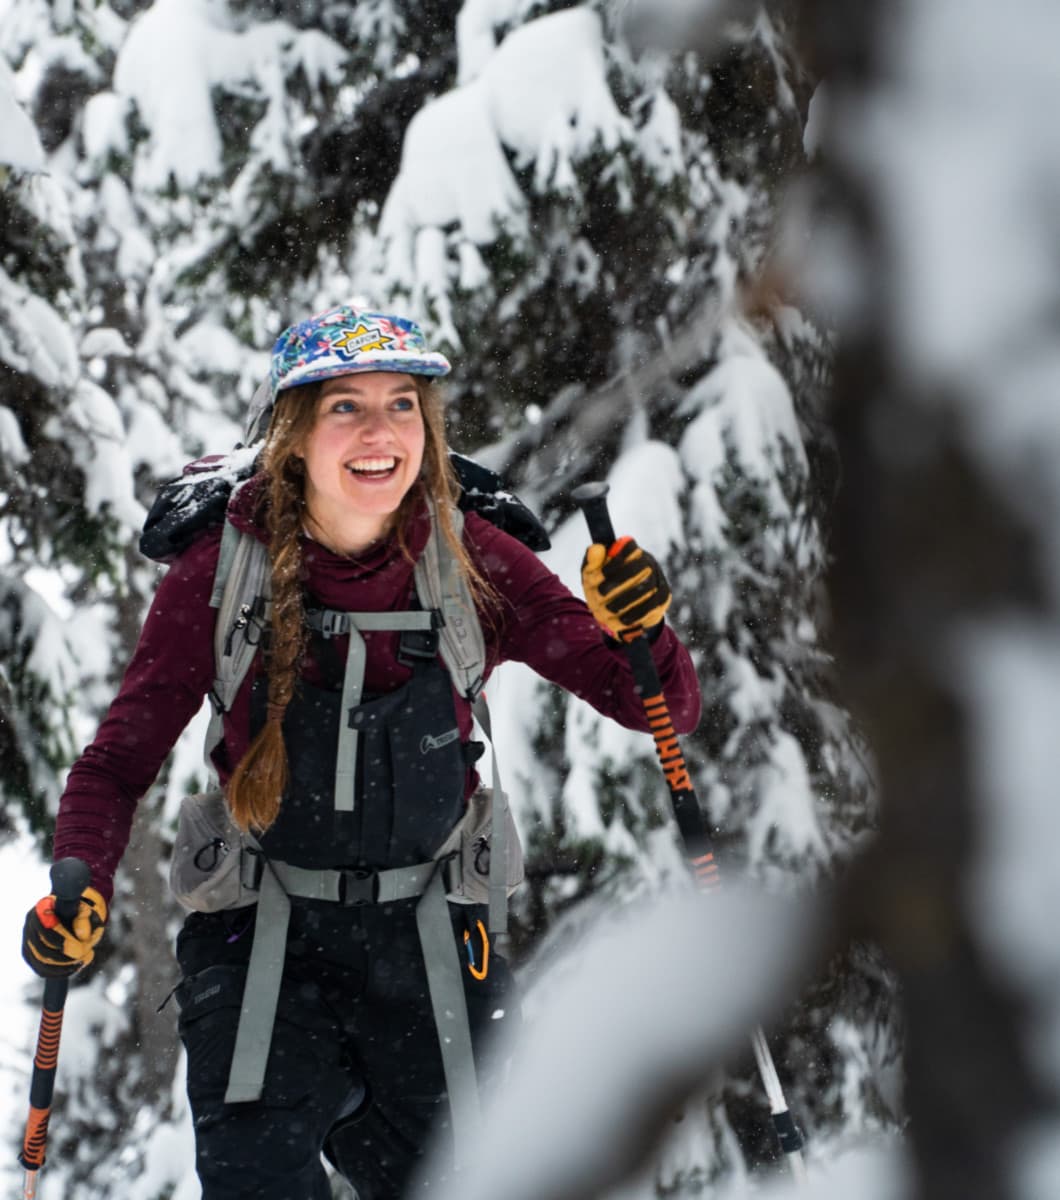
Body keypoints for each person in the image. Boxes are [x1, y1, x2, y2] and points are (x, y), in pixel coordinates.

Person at [21, 304, 701, 1199]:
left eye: (402, 404)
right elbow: (116, 763)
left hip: (431, 952)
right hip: (260, 941)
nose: (380, 432)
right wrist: (82, 881)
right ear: (294, 435)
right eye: (345, 406)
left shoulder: (473, 561)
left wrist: (640, 628)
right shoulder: (221, 575)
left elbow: (657, 704)